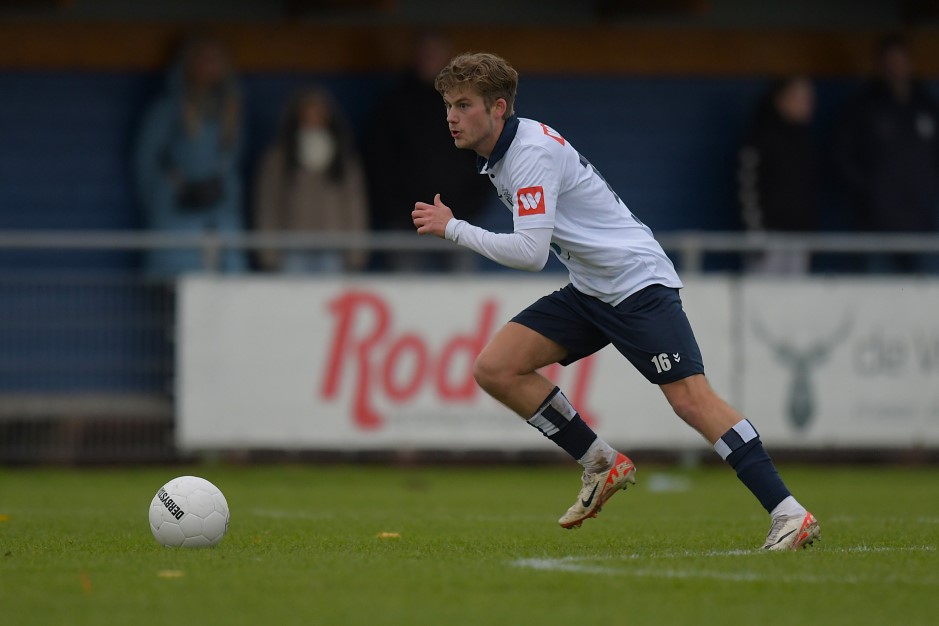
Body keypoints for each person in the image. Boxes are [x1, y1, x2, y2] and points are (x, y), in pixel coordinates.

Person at [412, 52, 819, 551]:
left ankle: (789, 513)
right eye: (448, 105)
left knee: (691, 401)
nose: (451, 116)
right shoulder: (503, 153)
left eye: (463, 104)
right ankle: (601, 462)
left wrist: (453, 229)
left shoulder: (529, 155)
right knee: (497, 368)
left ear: (498, 108)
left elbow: (531, 253)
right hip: (593, 288)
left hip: (636, 285)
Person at [364, 31, 492, 272]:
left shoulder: (466, 105)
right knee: (406, 297)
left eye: (434, 54)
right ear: (414, 57)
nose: (429, 59)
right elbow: (377, 163)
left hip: (457, 221)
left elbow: (485, 157)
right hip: (407, 222)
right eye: (424, 54)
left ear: (447, 59)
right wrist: (398, 212)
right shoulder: (394, 104)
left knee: (463, 296)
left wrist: (466, 211)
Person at [135, 35, 246, 276]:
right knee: (180, 284)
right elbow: (146, 162)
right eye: (203, 59)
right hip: (177, 216)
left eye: (215, 60)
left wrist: (223, 193)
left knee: (228, 285)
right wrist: (170, 192)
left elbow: (233, 163)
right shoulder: (168, 109)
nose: (209, 67)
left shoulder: (230, 110)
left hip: (220, 218)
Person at [833, 34, 939, 273]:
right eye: (890, 61)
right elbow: (842, 157)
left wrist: (928, 187)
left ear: (910, 63)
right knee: (875, 300)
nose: (896, 67)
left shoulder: (927, 106)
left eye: (900, 60)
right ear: (880, 65)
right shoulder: (862, 106)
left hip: (921, 224)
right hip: (875, 224)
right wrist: (871, 191)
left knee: (926, 302)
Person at [253, 87, 369, 273]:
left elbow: (354, 206)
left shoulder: (344, 159)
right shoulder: (278, 158)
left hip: (334, 248)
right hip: (291, 247)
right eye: (307, 112)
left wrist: (356, 251)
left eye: (319, 112)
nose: (313, 118)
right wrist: (269, 252)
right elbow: (268, 206)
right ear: (297, 116)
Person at [737, 76, 818, 274]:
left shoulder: (806, 144)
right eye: (799, 98)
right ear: (780, 99)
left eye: (808, 99)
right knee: (762, 301)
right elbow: (747, 190)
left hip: (800, 240)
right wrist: (757, 236)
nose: (806, 105)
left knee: (796, 301)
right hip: (768, 242)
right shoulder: (760, 139)